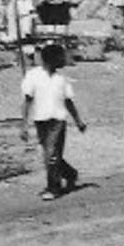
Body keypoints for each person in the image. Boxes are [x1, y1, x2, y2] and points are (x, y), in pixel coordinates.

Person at [21, 42, 86, 201]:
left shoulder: (61, 80)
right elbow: (28, 100)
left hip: (58, 120)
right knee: (51, 154)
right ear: (49, 60)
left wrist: (78, 121)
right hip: (40, 121)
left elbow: (68, 102)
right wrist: (24, 124)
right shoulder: (33, 76)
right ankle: (70, 173)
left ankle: (53, 187)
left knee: (50, 155)